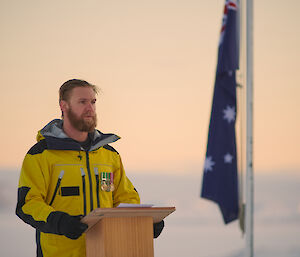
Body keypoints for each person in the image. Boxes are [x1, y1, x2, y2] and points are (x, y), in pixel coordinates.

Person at [16, 79, 164, 257]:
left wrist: (143, 223)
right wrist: (59, 222)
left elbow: (124, 199)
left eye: (93, 102)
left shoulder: (108, 155)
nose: (90, 108)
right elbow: (28, 204)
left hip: (106, 250)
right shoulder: (41, 154)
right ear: (64, 106)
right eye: (82, 102)